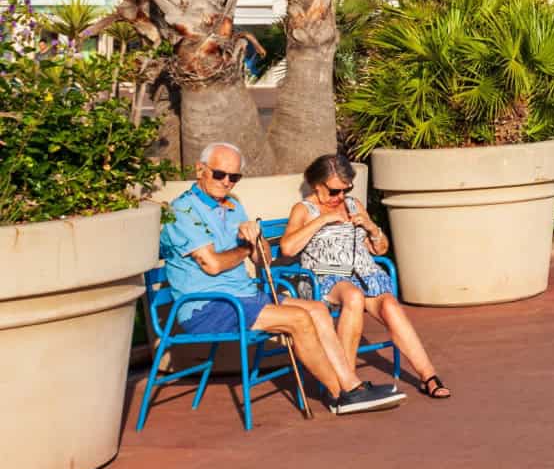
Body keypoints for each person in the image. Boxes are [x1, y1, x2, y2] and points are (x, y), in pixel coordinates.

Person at [159, 144, 403, 416]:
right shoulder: (184, 211)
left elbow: (263, 260)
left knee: (318, 309)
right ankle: (343, 393)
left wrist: (257, 241)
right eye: (219, 174)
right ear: (199, 170)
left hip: (244, 295)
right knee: (299, 320)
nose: (227, 182)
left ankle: (350, 387)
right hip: (207, 305)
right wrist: (244, 248)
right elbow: (213, 265)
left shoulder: (233, 205)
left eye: (234, 177)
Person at [281, 154, 451, 399]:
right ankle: (346, 384)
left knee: (390, 306)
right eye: (334, 191)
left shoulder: (353, 204)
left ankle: (428, 376)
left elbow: (380, 249)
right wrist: (323, 220)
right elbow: (287, 248)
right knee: (352, 296)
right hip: (324, 279)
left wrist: (371, 228)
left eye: (345, 189)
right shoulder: (304, 209)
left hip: (364, 275)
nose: (340, 197)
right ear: (317, 186)